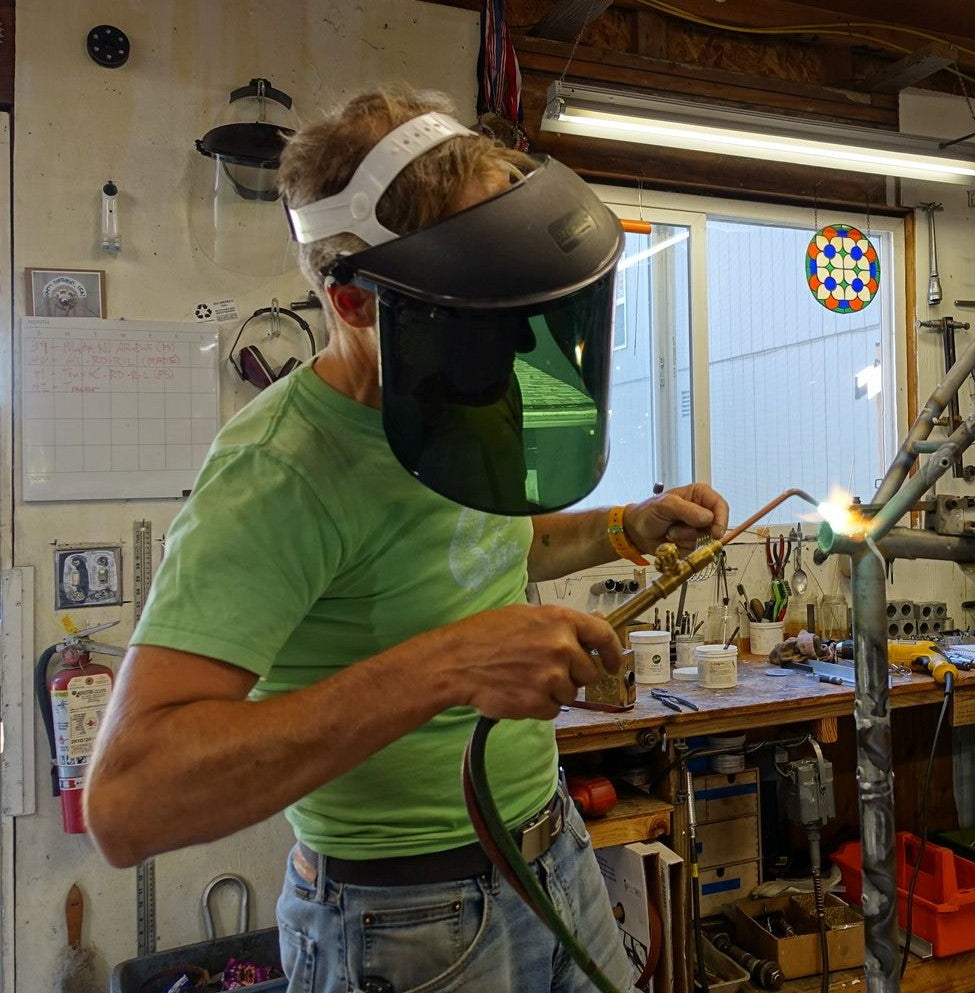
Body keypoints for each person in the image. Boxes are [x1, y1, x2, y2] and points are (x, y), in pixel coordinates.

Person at [85, 85, 729, 993]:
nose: (513, 345)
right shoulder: (282, 469)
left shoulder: (454, 398)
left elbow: (490, 545)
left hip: (553, 853)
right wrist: (449, 666)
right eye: (482, 305)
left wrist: (624, 527)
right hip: (408, 920)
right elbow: (129, 800)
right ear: (355, 303)